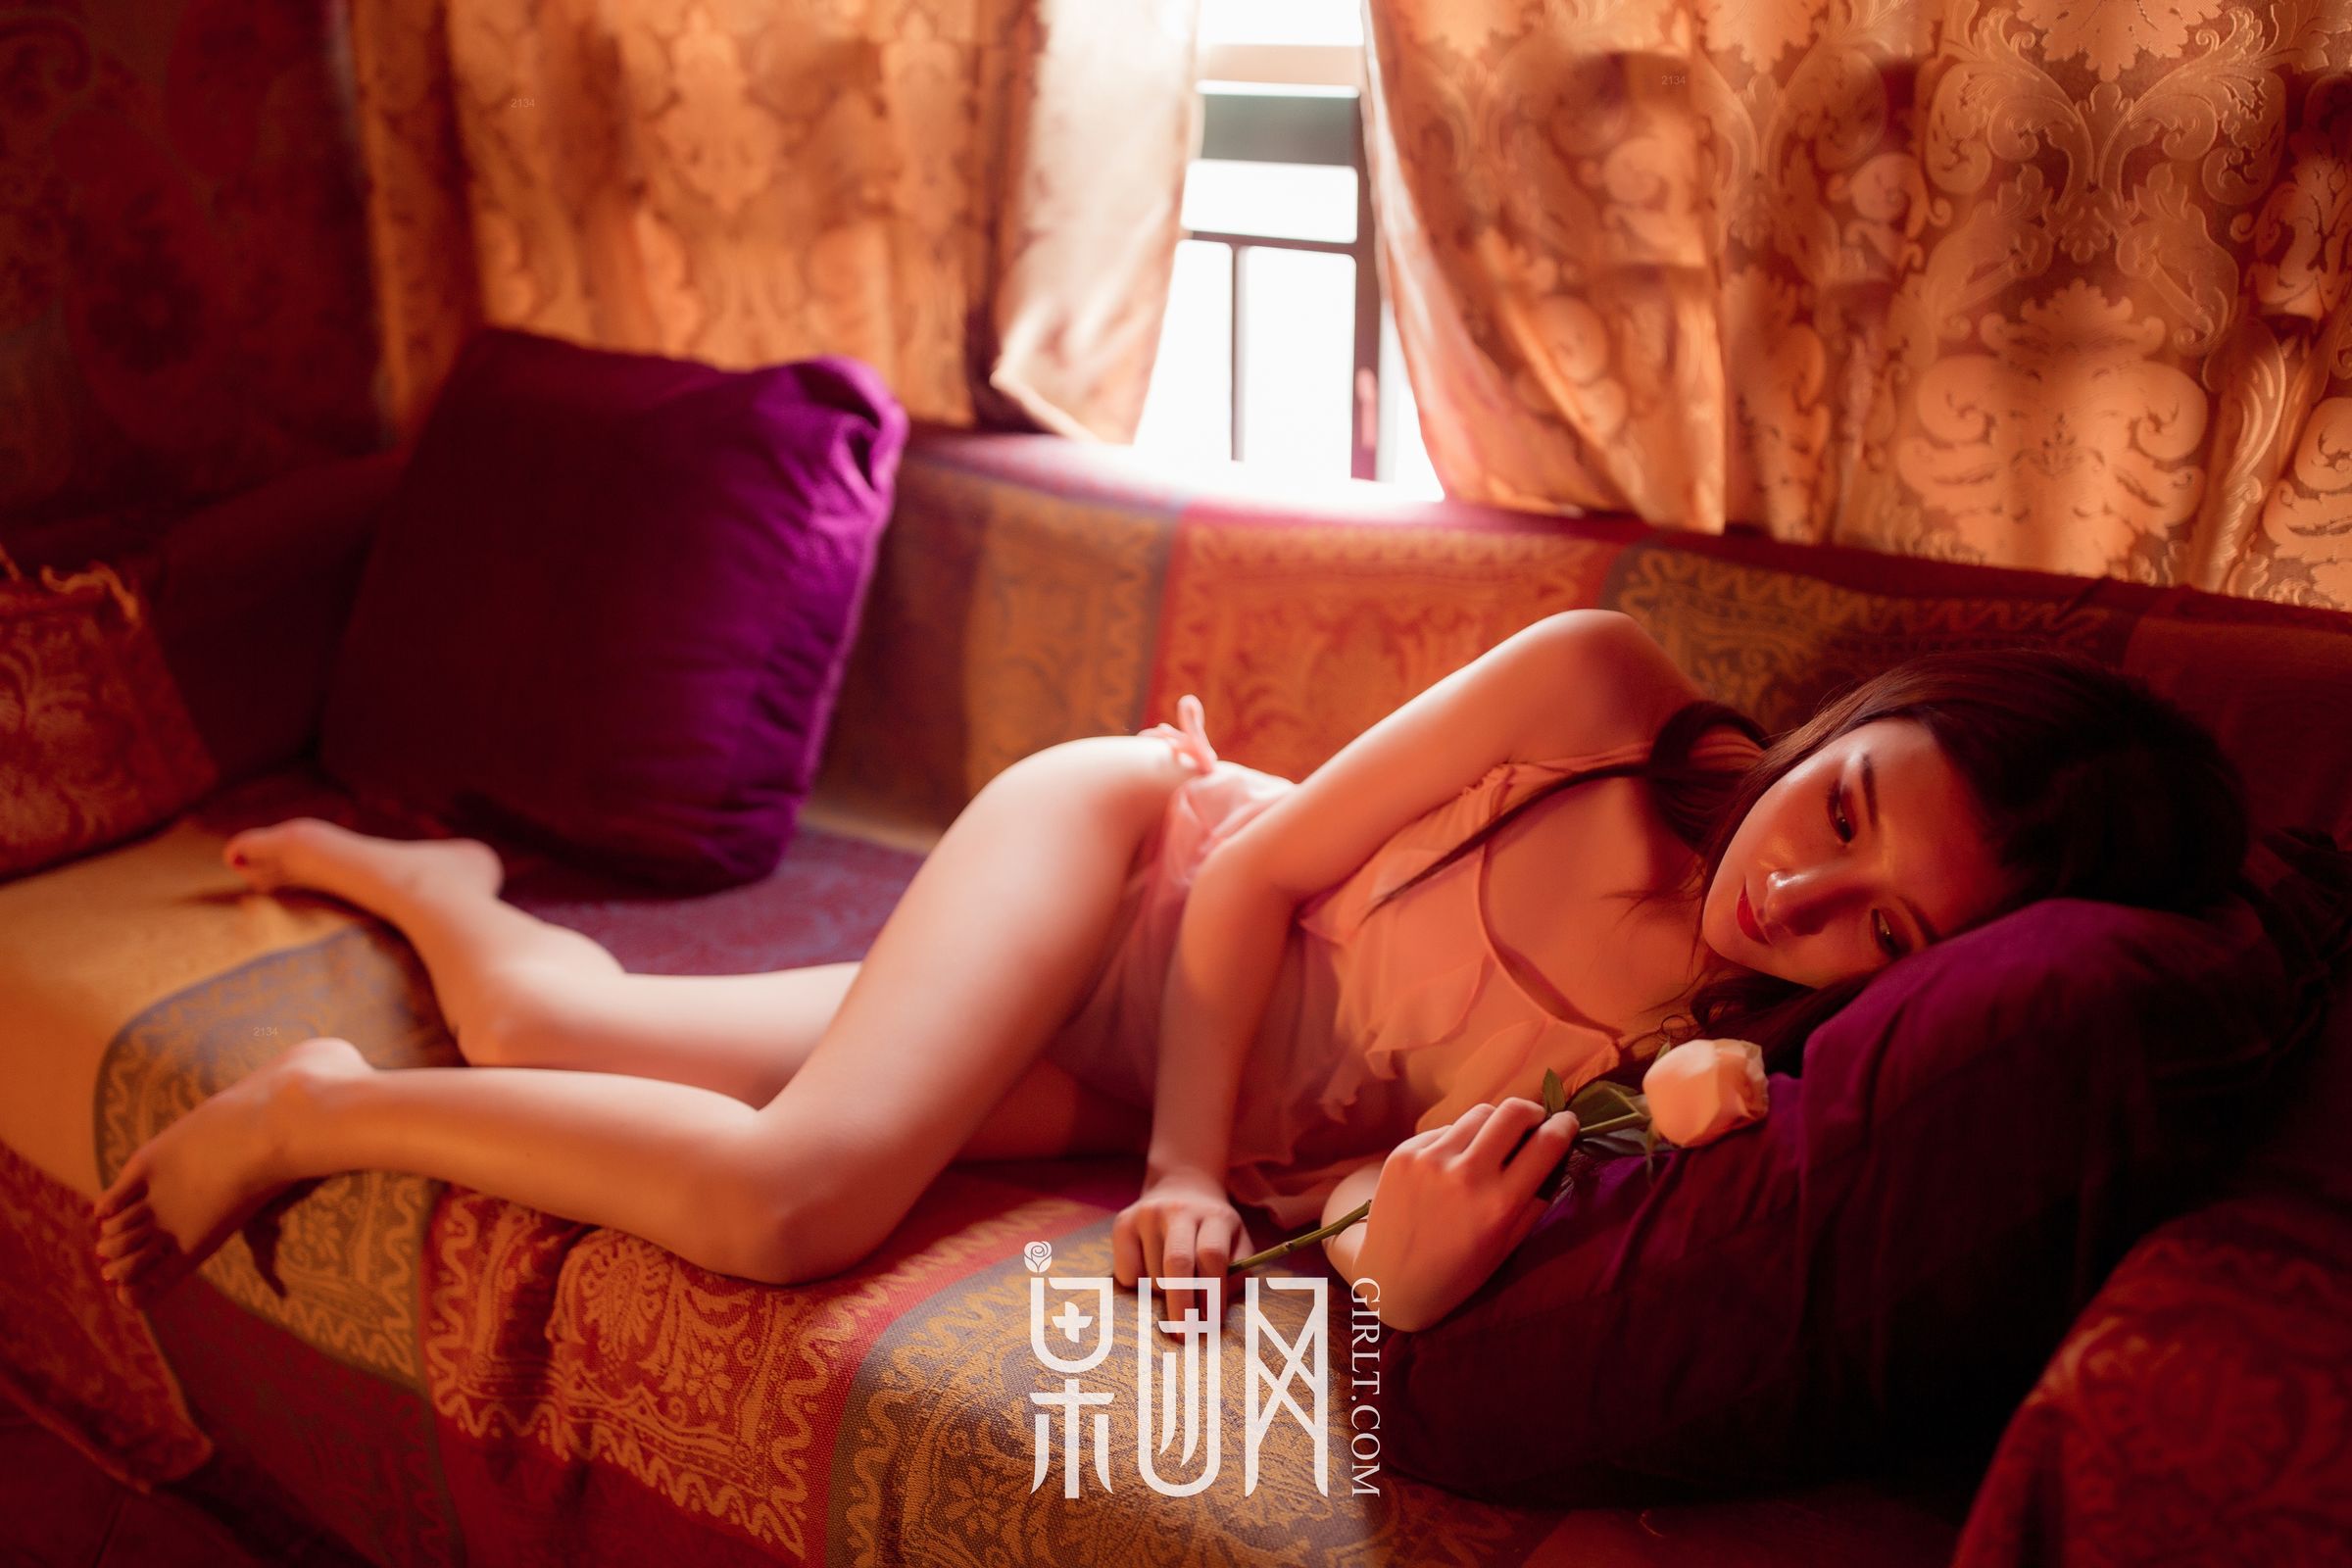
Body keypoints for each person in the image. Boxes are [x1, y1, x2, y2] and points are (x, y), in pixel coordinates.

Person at [87, 613, 2247, 1335]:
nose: (1801, 895)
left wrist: (1376, 1259)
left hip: (1137, 1082)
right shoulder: (1602, 696)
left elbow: (1381, 1191)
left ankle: (439, 884)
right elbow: (1256, 884)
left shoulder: (1718, 1068)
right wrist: (1189, 1169)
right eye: (1844, 809)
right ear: (1854, 718)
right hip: (1126, 863)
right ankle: (310, 1108)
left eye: (1888, 931)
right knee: (792, 1195)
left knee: (555, 1026)